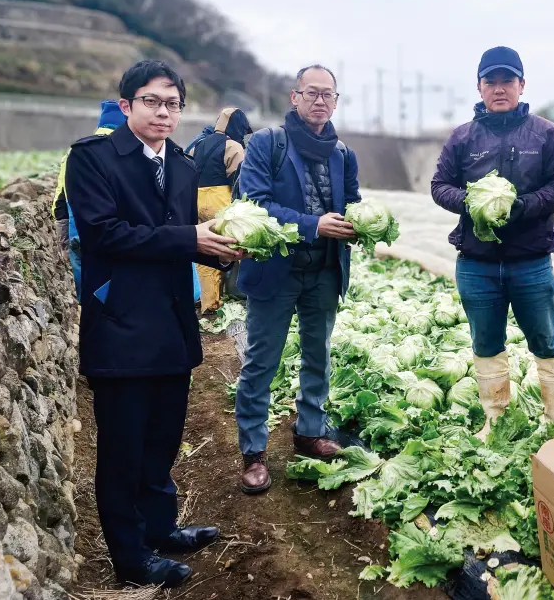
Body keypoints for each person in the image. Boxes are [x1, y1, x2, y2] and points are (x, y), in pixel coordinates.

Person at [66, 60, 243, 588]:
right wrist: (191, 239)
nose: (163, 112)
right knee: (123, 447)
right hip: (120, 321)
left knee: (163, 438)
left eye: (173, 104)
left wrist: (224, 254)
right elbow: (104, 234)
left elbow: (179, 240)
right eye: (151, 101)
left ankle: (161, 529)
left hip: (171, 321)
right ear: (126, 106)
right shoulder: (93, 159)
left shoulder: (184, 166)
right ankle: (130, 556)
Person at [430, 46, 554, 439]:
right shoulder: (462, 137)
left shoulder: (546, 133)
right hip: (476, 262)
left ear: (521, 85)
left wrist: (522, 206)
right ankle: (495, 418)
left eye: (507, 81)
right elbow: (439, 186)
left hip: (530, 259)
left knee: (546, 339)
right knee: (486, 342)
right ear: (479, 87)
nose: (499, 88)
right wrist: (472, 203)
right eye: (490, 81)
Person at [234, 64, 361, 495]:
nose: (320, 100)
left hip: (324, 271)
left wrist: (361, 223)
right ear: (295, 97)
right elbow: (254, 202)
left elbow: (353, 201)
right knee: (261, 361)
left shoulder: (343, 153)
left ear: (336, 101)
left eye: (329, 94)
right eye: (312, 93)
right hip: (276, 271)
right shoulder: (267, 144)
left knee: (317, 356)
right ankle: (253, 452)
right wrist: (314, 225)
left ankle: (310, 431)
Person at [53, 100, 126, 301]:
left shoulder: (76, 149)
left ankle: (87, 308)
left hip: (73, 221)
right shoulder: (123, 150)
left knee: (82, 269)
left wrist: (61, 219)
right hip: (109, 226)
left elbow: (62, 190)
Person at [189, 107, 253, 313]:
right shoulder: (233, 146)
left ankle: (209, 303)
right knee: (229, 248)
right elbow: (240, 180)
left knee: (205, 249)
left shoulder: (198, 144)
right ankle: (237, 293)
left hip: (196, 199)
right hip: (220, 200)